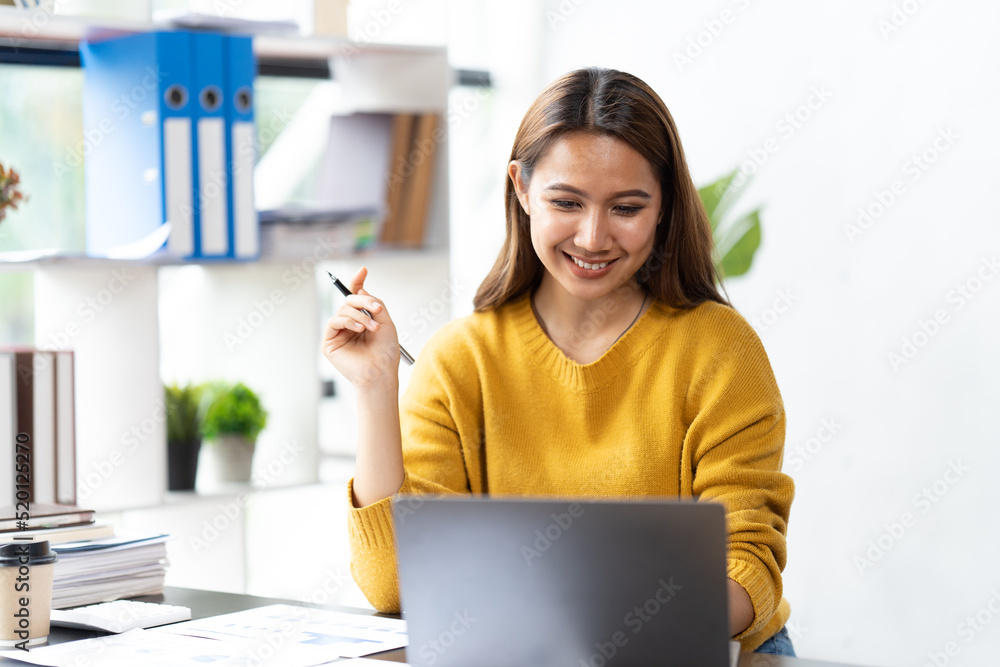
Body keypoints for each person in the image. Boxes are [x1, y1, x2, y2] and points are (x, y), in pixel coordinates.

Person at [322, 67, 795, 656]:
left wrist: (617, 623)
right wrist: (374, 389)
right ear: (521, 189)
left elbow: (750, 565)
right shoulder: (460, 360)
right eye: (566, 202)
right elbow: (393, 586)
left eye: (626, 207)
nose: (593, 238)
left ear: (665, 204)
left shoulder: (719, 350)